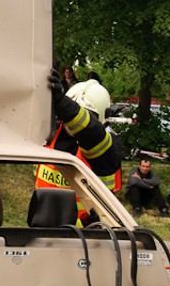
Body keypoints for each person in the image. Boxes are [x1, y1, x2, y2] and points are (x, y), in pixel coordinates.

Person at [39, 73, 122, 225]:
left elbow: (90, 130)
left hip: (88, 233)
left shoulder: (106, 146)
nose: (71, 123)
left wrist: (62, 103)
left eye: (87, 113)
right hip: (45, 226)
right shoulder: (51, 135)